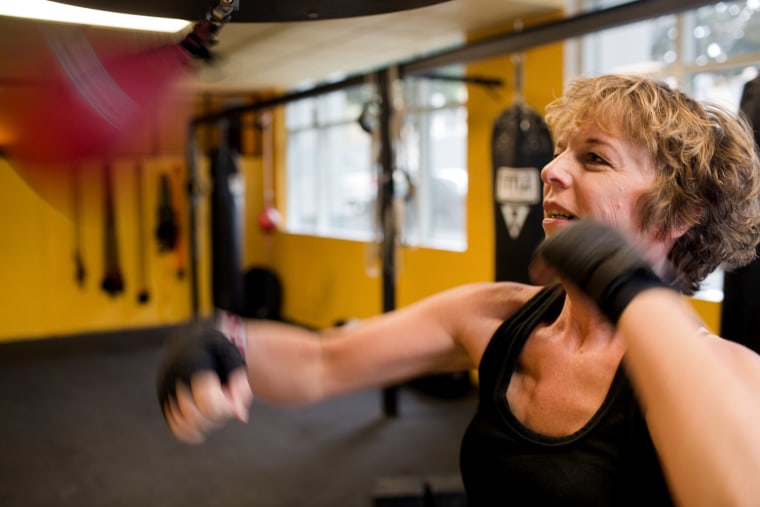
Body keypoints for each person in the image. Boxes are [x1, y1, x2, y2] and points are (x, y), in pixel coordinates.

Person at [156, 74, 760, 506]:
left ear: (679, 213)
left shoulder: (730, 375)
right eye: (558, 152)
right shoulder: (496, 316)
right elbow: (321, 362)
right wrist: (224, 340)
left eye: (594, 158)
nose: (550, 170)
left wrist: (632, 293)